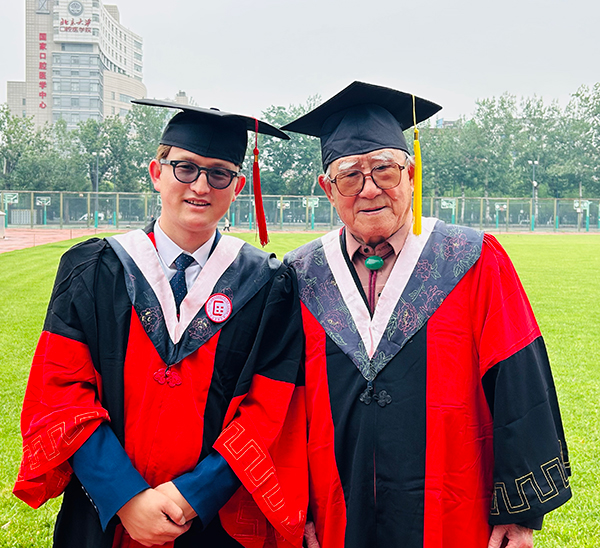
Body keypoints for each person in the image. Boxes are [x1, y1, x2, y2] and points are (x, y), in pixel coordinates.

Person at [281, 82, 572, 548]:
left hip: (453, 511)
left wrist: (520, 515)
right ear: (327, 189)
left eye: (385, 170)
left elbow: (520, 386)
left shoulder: (472, 260)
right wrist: (298, 511)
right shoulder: (301, 275)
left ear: (411, 174)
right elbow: (284, 407)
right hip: (337, 514)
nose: (370, 189)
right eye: (350, 176)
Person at [13, 100, 306, 547]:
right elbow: (61, 390)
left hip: (209, 521)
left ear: (238, 186)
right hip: (106, 516)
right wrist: (125, 496)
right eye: (185, 168)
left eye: (219, 174)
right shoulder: (94, 269)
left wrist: (196, 494)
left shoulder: (267, 285)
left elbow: (270, 407)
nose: (200, 186)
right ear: (156, 172)